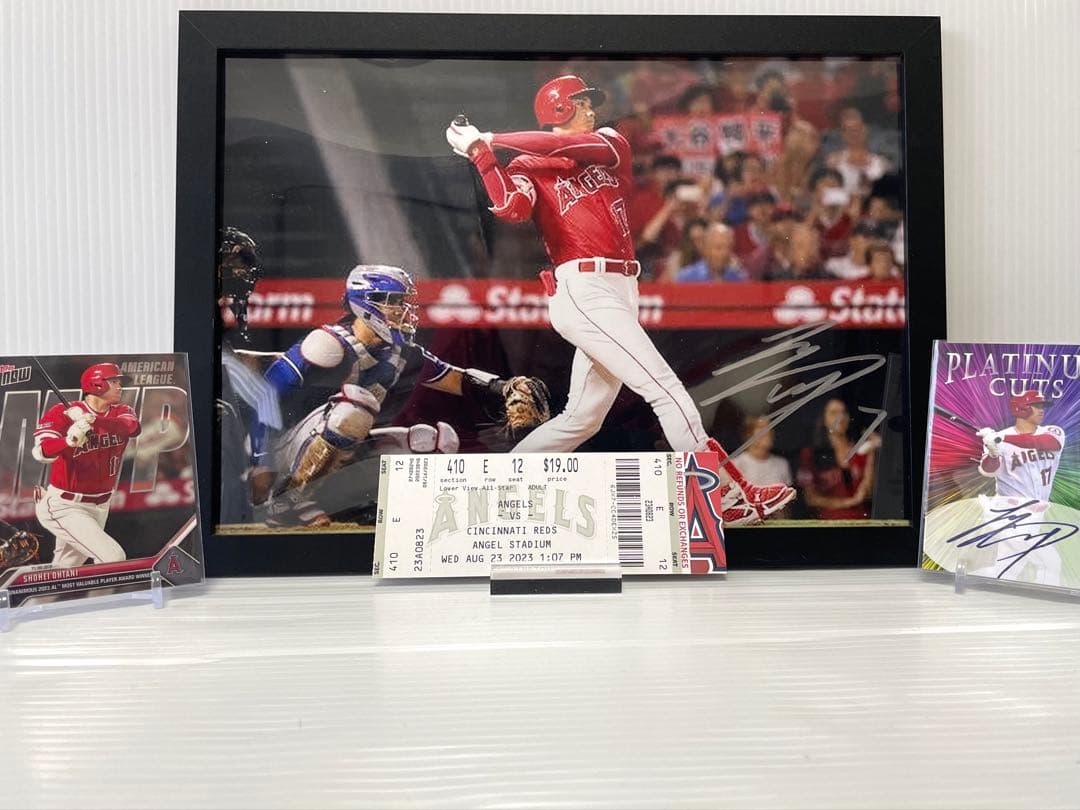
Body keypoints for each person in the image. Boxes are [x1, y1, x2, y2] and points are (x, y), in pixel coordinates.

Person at [445, 74, 795, 523]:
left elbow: (567, 148)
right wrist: (482, 156)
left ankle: (497, 483)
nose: (591, 109)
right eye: (581, 102)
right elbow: (511, 208)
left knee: (581, 419)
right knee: (665, 390)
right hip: (584, 288)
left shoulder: (609, 142)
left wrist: (491, 139)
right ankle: (723, 496)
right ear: (559, 108)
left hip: (620, 289)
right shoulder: (528, 165)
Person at [247, 265, 550, 528]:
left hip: (338, 445)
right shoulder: (328, 344)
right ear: (366, 303)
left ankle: (353, 505)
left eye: (404, 301)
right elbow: (267, 394)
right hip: (282, 450)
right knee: (357, 407)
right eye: (394, 301)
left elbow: (455, 378)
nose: (404, 310)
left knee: (432, 441)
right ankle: (287, 503)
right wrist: (260, 462)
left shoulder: (399, 352)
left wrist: (503, 386)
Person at [31, 363, 142, 567]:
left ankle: (40, 590)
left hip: (101, 505)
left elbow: (131, 427)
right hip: (65, 505)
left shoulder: (122, 410)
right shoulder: (62, 412)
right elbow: (41, 452)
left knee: (66, 569)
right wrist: (68, 441)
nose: (120, 386)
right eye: (114, 381)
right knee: (113, 558)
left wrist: (92, 420)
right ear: (97, 384)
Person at [971, 391, 1065, 585]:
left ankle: (969, 578)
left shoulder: (1053, 432)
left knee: (1007, 569)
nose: (1041, 410)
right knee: (1050, 562)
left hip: (1035, 514)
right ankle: (1045, 601)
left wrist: (1002, 439)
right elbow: (988, 471)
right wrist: (993, 453)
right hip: (1009, 513)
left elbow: (1046, 443)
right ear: (1020, 409)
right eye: (1036, 405)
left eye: (1042, 406)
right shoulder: (997, 439)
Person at [797, 398, 876, 520]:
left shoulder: (862, 451)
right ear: (824, 419)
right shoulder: (811, 454)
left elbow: (871, 493)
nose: (840, 417)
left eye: (843, 412)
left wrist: (872, 455)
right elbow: (810, 498)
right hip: (828, 523)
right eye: (833, 413)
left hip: (862, 521)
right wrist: (848, 503)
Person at [737, 417, 794, 519]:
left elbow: (787, 503)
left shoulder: (782, 464)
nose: (768, 432)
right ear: (749, 435)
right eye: (762, 428)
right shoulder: (737, 464)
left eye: (770, 428)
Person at [826, 107, 890, 197]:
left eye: (857, 129)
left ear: (866, 130)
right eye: (848, 130)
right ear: (842, 135)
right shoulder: (833, 163)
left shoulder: (882, 164)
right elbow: (829, 195)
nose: (853, 134)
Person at [675, 222, 748, 282]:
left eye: (728, 248)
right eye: (718, 248)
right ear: (706, 249)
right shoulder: (686, 278)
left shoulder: (738, 279)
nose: (724, 253)